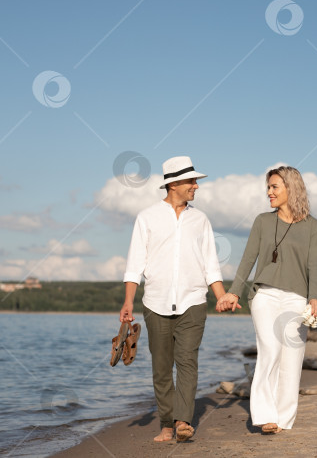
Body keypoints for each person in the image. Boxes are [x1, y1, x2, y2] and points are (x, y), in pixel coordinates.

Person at [119, 156, 236, 442]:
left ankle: (183, 421)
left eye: (196, 181)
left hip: (193, 301)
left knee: (187, 361)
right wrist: (127, 303)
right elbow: (135, 263)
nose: (196, 186)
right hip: (155, 303)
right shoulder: (147, 217)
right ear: (173, 184)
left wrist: (221, 296)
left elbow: (211, 264)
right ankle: (167, 425)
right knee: (161, 367)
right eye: (191, 181)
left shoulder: (200, 219)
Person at [216, 165, 317, 434]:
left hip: (297, 299)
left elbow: (315, 266)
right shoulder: (262, 221)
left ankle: (283, 420)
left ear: (291, 188)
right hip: (265, 295)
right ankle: (265, 415)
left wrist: (315, 297)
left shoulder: (313, 227)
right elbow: (248, 259)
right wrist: (234, 291)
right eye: (268, 187)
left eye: (274, 187)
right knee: (270, 351)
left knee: (292, 359)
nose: (269, 192)